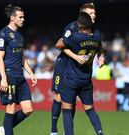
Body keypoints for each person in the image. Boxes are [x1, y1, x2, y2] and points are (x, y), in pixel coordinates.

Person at [50, 3, 97, 135]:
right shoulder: (71, 28)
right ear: (82, 14)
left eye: (94, 13)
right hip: (64, 65)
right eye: (90, 13)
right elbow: (60, 45)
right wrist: (75, 57)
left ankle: (68, 132)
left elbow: (98, 45)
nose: (93, 15)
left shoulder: (92, 29)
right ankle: (53, 130)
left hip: (76, 69)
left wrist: (101, 55)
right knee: (59, 97)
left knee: (71, 103)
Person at [0, 4, 37, 135]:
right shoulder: (3, 35)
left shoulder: (19, 36)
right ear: (12, 18)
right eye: (21, 17)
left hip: (20, 76)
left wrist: (30, 73)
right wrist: (3, 79)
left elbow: (22, 57)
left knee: (28, 109)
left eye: (23, 17)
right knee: (11, 108)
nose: (23, 19)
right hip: (9, 75)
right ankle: (7, 130)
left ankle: (5, 128)